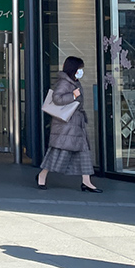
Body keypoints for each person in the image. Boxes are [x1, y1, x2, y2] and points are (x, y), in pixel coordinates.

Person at [36, 56, 102, 193]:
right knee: (59, 152)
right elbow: (57, 99)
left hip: (76, 123)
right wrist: (73, 95)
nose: (81, 71)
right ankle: (42, 175)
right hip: (66, 125)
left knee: (84, 152)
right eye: (80, 68)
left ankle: (86, 181)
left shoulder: (74, 82)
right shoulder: (64, 83)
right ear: (74, 69)